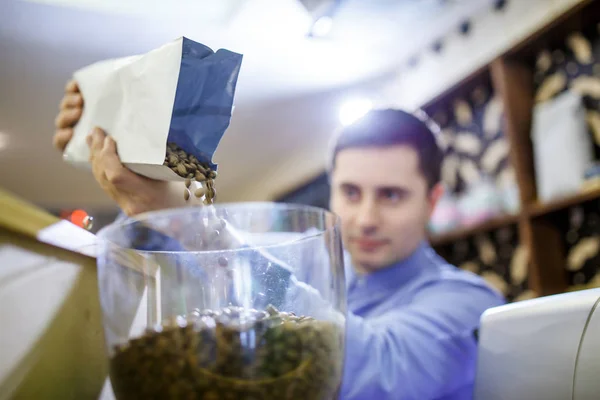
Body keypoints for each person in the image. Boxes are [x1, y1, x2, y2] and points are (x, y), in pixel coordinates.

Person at [54, 80, 505, 399]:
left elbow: (378, 372)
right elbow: (200, 264)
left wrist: (188, 218)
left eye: (391, 195)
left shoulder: (469, 303)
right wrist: (111, 118)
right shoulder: (311, 267)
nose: (366, 218)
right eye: (351, 192)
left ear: (432, 201)